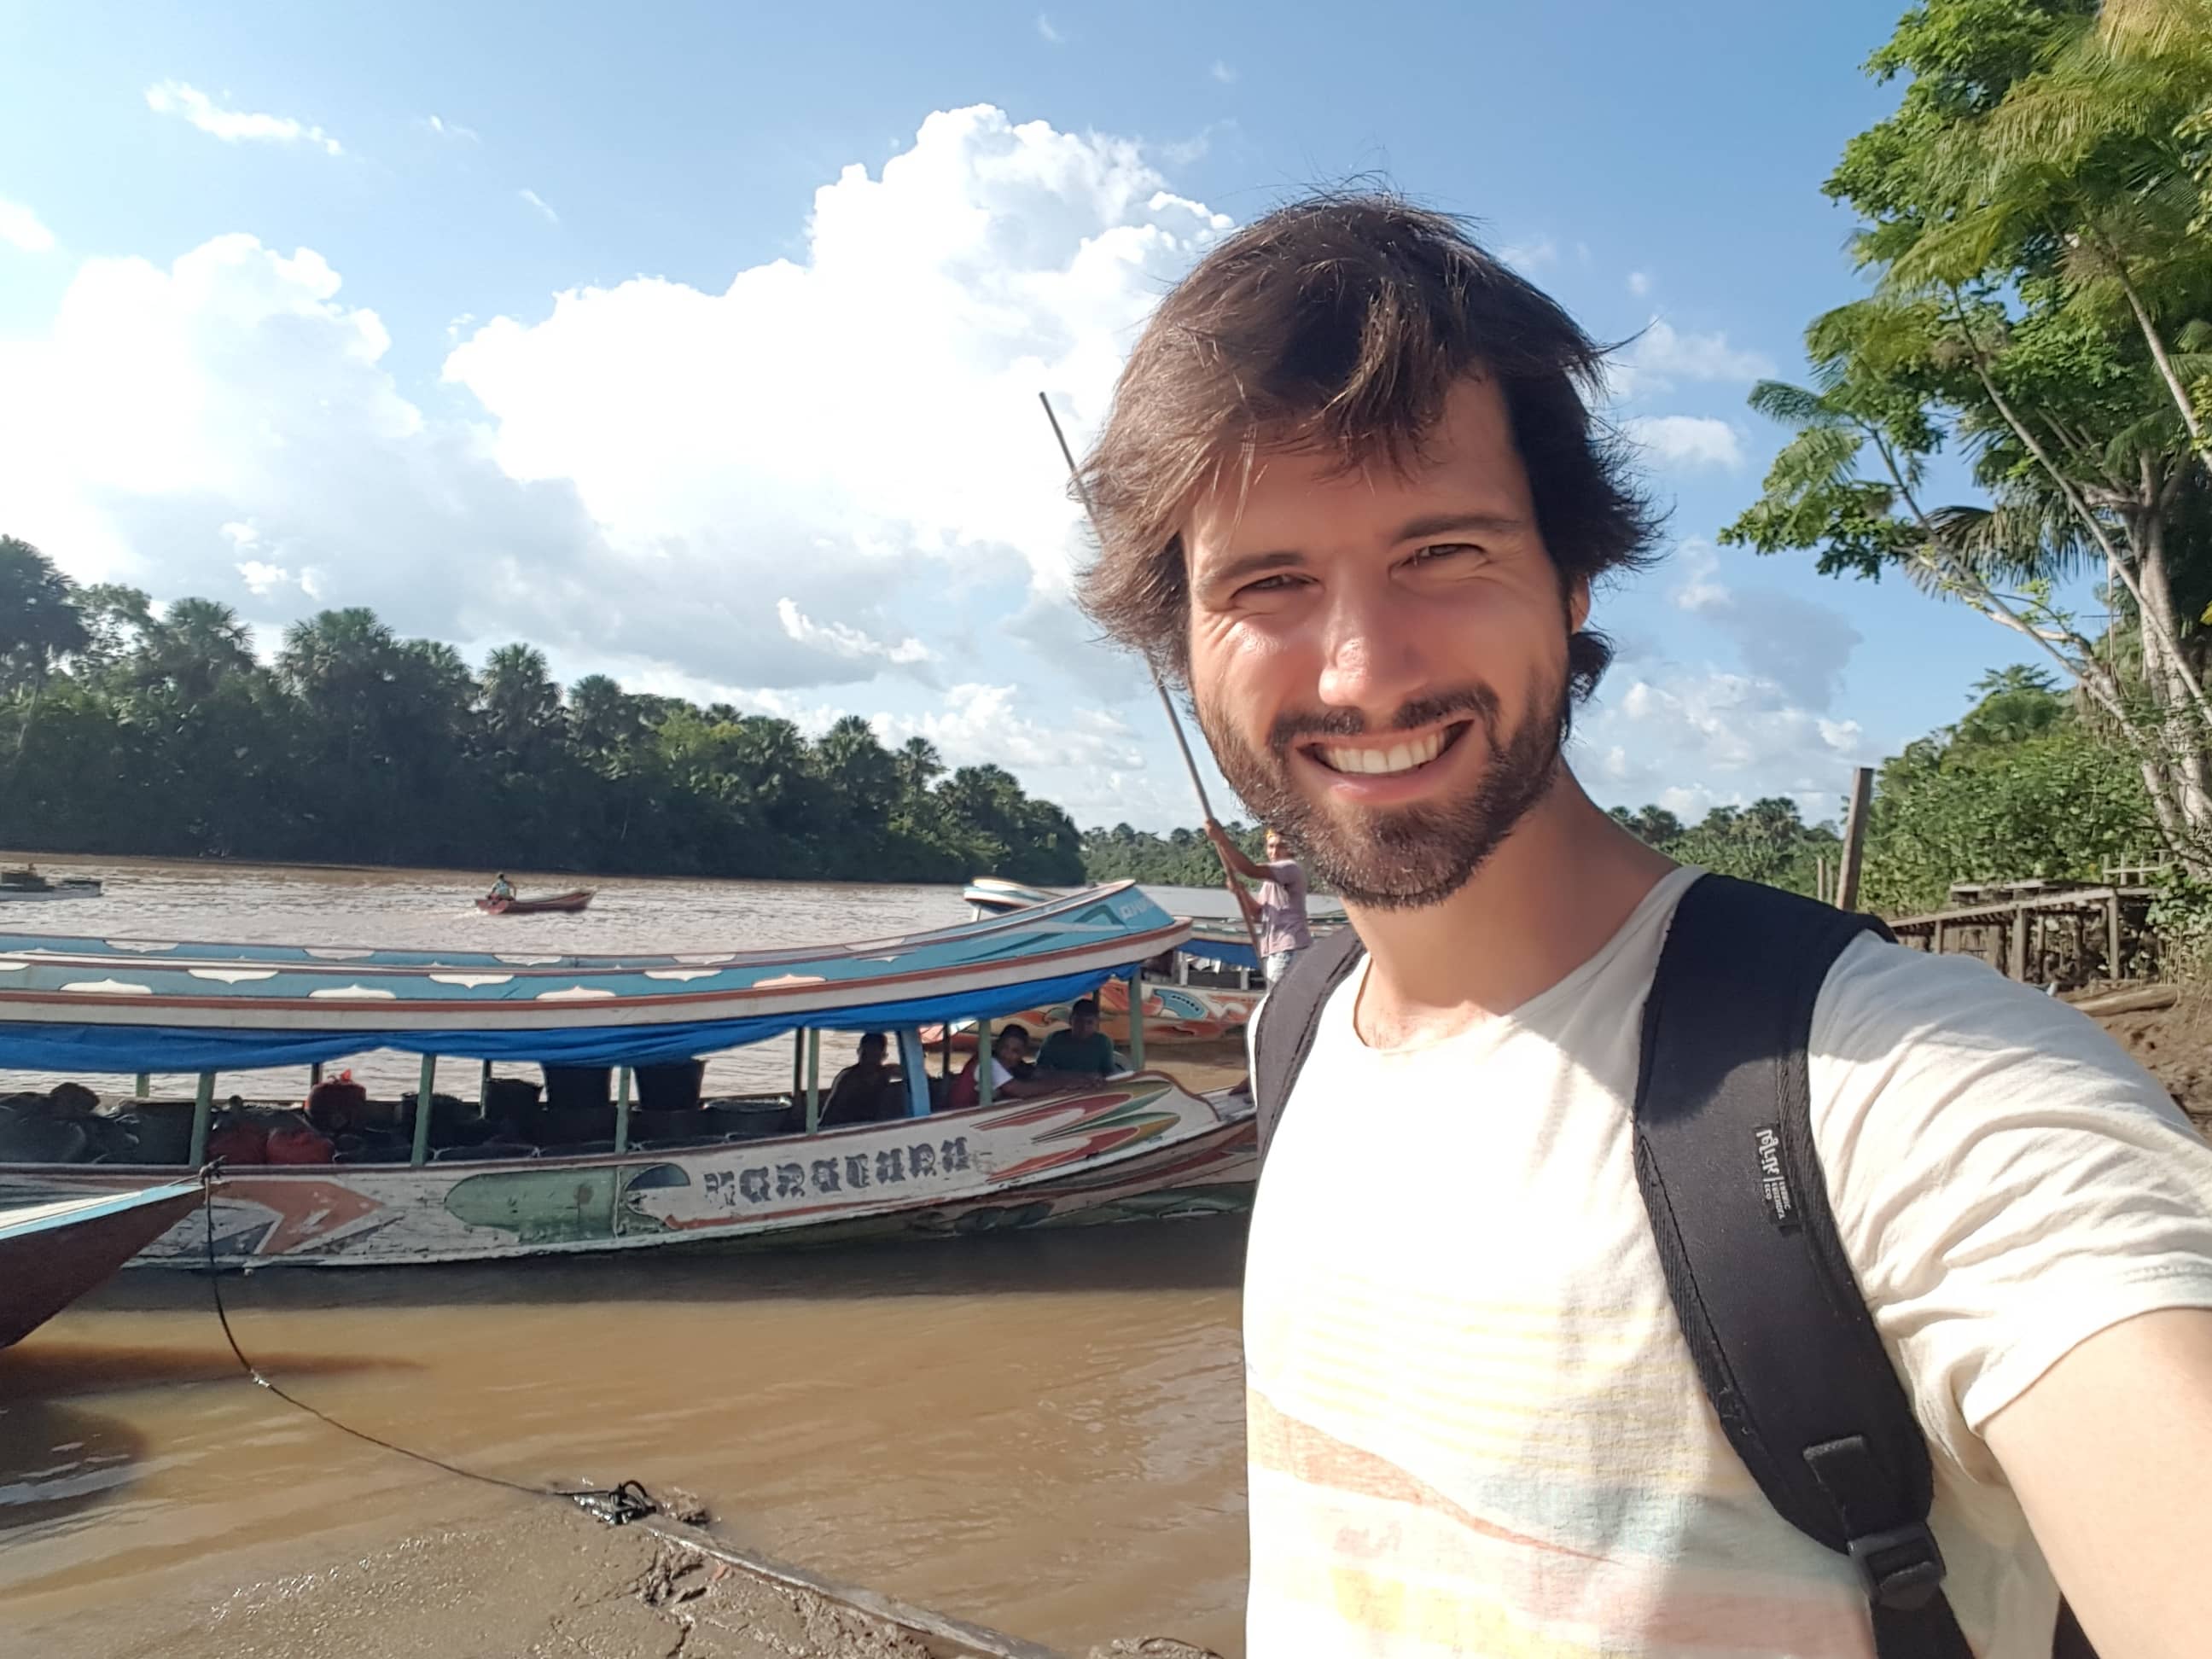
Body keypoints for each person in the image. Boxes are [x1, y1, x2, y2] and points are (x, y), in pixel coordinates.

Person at [1074, 194, 2212, 1657]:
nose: (1360, 669)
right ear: (1183, 636)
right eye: (1270, 582)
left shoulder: (1899, 1092)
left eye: (1441, 553)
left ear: (1571, 574)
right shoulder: (1296, 1032)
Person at [1204, 823, 1310, 983]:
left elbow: (1250, 870)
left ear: (1292, 849)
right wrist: (1241, 892)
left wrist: (1222, 840)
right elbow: (1258, 914)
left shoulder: (1290, 868)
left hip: (1289, 948)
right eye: (1271, 847)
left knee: (1278, 1002)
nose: (1275, 852)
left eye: (1281, 847)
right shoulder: (1271, 881)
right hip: (1275, 950)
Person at [946, 1023, 1058, 1109]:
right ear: (996, 1045)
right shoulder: (989, 1063)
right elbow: (1021, 1090)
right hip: (959, 1116)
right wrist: (1062, 1085)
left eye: (1015, 1051)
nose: (1008, 1054)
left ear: (1023, 1054)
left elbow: (1037, 1072)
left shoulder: (1015, 1065)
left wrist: (1068, 1077)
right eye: (1005, 1047)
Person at [818, 1032, 900, 1127]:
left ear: (884, 1056)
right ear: (858, 1052)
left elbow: (910, 1071)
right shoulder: (848, 1077)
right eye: (865, 1055)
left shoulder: (885, 1073)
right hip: (842, 1126)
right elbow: (830, 1111)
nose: (869, 1061)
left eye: (875, 1056)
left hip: (870, 1124)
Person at [1034, 998, 1122, 1078]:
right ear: (1071, 1020)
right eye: (1079, 1021)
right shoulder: (1053, 1039)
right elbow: (1040, 1071)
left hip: (1091, 1088)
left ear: (1097, 1023)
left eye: (1090, 1022)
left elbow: (1109, 1073)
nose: (1084, 1027)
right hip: (1059, 1087)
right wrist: (1079, 1076)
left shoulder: (1103, 1042)